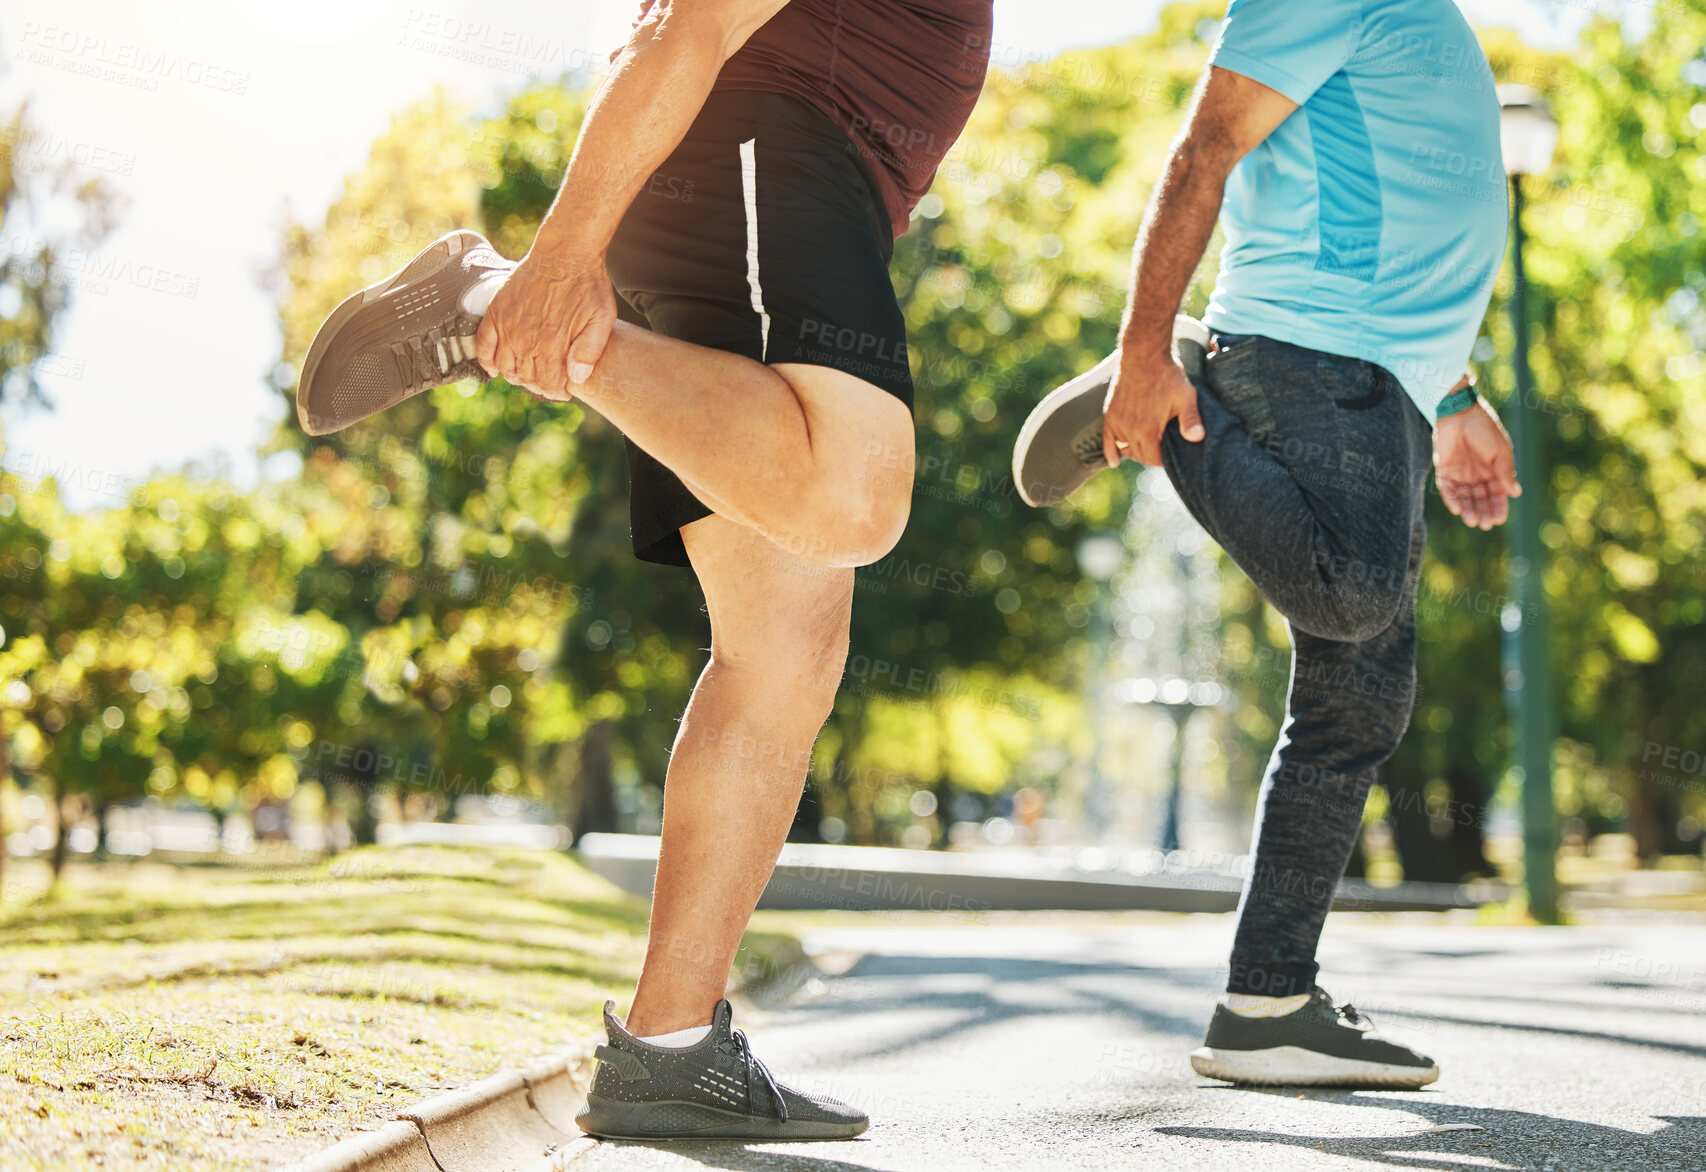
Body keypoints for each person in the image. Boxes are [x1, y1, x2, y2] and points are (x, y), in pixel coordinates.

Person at [296, 0, 993, 1140]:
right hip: (768, 152)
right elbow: (684, 20)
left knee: (782, 658)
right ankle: (481, 303)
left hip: (786, 182)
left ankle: (669, 1047)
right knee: (849, 495)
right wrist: (560, 261)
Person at [1015, 0, 1515, 1087]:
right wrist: (1143, 350)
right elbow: (1203, 146)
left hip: (1386, 383)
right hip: (1311, 354)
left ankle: (1265, 1000)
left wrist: (1457, 390)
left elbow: (1416, 204)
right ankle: (1174, 400)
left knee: (1356, 709)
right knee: (1351, 596)